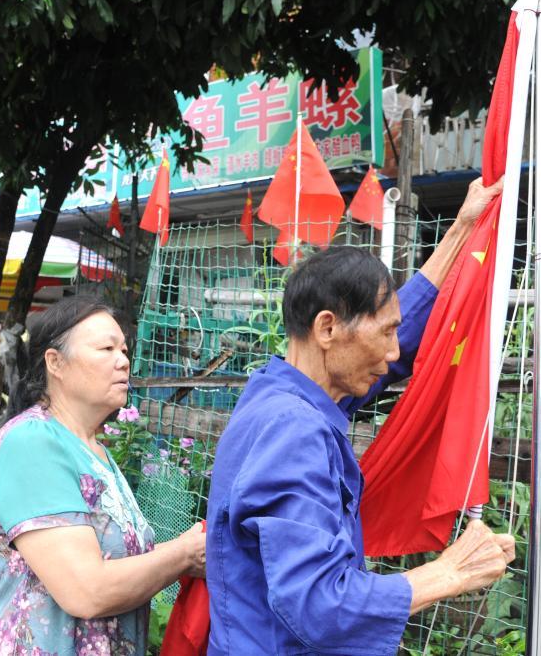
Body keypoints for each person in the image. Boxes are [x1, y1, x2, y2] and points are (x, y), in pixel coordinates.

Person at [206, 177, 516, 654]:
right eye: (385, 333)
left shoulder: (282, 391)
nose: (394, 353)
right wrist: (450, 572)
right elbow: (320, 605)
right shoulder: (294, 431)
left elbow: (403, 336)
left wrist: (460, 229)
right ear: (327, 328)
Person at [0, 295, 205, 655]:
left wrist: (184, 551)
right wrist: (184, 554)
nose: (123, 361)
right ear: (55, 363)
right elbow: (86, 590)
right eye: (106, 349)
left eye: (124, 350)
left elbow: (113, 565)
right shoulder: (32, 441)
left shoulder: (96, 453)